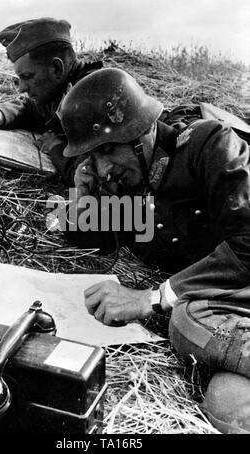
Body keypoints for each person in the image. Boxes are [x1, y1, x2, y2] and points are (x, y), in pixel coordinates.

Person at [58, 67, 250, 434]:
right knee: (228, 408)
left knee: (186, 319)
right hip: (230, 308)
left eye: (107, 150)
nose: (102, 167)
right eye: (92, 157)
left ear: (141, 130)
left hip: (233, 290)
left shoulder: (209, 145)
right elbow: (88, 239)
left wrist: (156, 297)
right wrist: (82, 197)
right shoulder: (131, 181)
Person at [0, 17, 103, 184]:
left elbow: (94, 178)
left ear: (56, 68)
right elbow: (29, 109)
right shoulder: (62, 88)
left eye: (27, 77)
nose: (21, 88)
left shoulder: (93, 97)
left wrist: (55, 149)